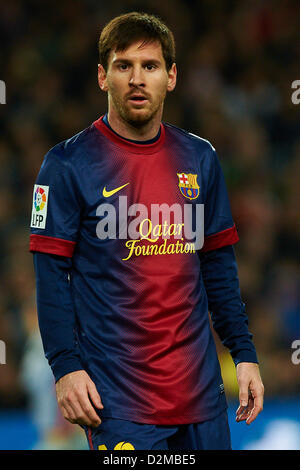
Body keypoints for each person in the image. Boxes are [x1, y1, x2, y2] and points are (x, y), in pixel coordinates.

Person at [29, 11, 264, 451]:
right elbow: (50, 277)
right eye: (124, 66)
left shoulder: (200, 158)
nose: (137, 79)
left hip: (202, 401)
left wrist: (244, 353)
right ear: (103, 76)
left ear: (171, 77)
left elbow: (218, 268)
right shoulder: (64, 166)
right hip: (118, 404)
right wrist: (65, 368)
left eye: (150, 66)